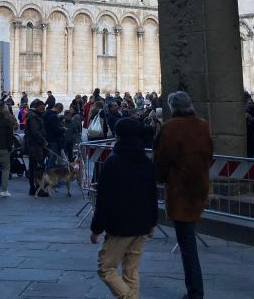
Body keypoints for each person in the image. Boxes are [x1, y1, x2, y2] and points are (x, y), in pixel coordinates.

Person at [153, 92, 213, 299]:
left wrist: (161, 178)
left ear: (172, 107)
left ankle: (195, 292)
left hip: (180, 190)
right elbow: (210, 155)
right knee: (188, 241)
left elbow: (161, 160)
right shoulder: (203, 125)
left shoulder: (170, 128)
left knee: (187, 245)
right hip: (199, 187)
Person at [90, 118, 158, 299]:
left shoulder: (113, 163)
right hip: (142, 224)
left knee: (106, 268)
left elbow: (104, 199)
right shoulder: (146, 162)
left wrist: (96, 227)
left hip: (120, 226)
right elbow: (152, 195)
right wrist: (152, 221)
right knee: (131, 269)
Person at [24, 99, 49, 197]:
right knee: (38, 167)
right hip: (35, 146)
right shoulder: (33, 116)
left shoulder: (35, 115)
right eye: (42, 108)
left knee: (34, 166)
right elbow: (35, 131)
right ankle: (38, 189)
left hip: (34, 145)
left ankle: (33, 188)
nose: (44, 110)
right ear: (37, 106)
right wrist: (43, 141)